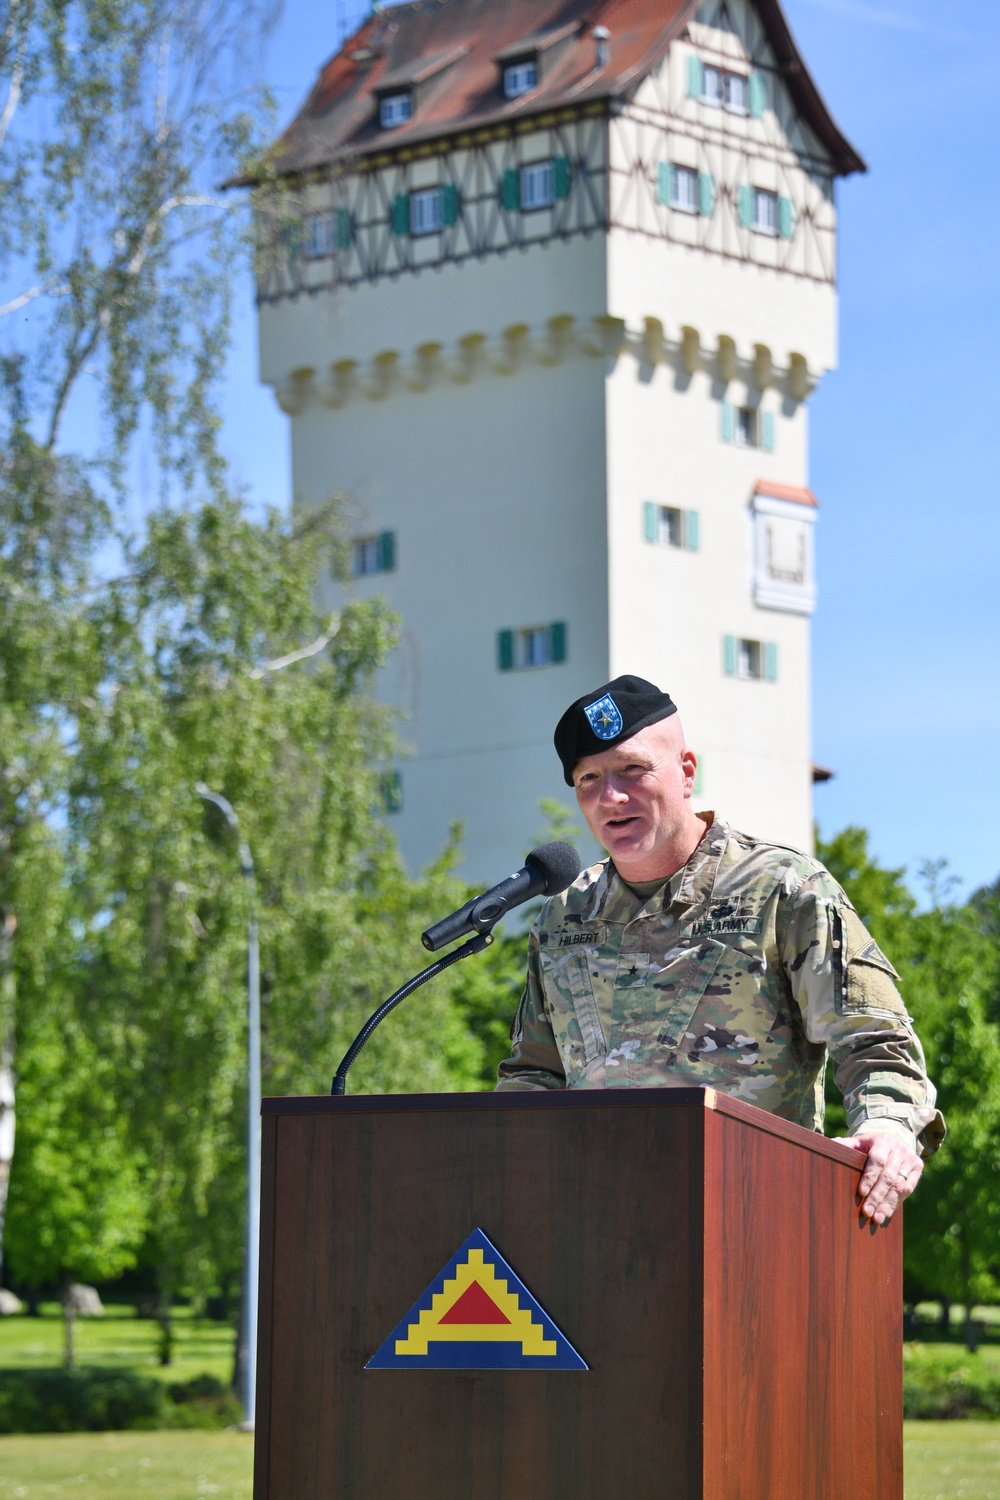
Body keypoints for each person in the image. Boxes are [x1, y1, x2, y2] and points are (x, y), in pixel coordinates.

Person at [496, 675, 944, 1226]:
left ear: (686, 773)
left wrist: (887, 1125)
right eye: (589, 779)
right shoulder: (564, 917)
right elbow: (535, 1074)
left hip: (755, 1221)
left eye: (633, 770)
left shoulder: (782, 888)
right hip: (596, 1226)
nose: (610, 797)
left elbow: (875, 1040)